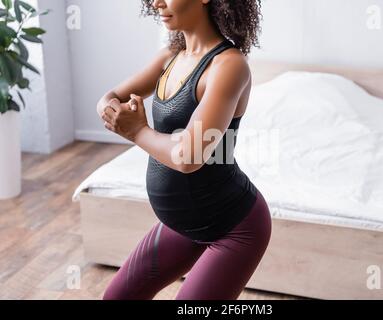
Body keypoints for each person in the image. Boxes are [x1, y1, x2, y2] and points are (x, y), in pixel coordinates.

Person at [98, 0, 270, 300]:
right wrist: (112, 111)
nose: (156, 2)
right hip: (180, 224)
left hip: (234, 228)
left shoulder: (229, 66)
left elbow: (189, 156)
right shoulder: (170, 57)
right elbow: (109, 97)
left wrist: (137, 130)